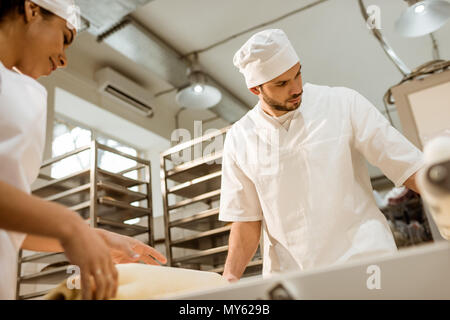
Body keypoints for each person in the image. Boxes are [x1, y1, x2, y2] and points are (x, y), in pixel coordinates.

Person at [219, 29, 424, 282]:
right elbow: (246, 220)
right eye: (281, 84)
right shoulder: (240, 138)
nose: (296, 88)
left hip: (365, 264)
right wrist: (228, 278)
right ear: (255, 89)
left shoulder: (342, 103)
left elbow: (408, 165)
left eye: (297, 74)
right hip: (293, 279)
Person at [0, 0, 166, 300]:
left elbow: (12, 226)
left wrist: (93, 237)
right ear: (32, 10)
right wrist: (68, 225)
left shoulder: (15, 88)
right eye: (65, 37)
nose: (63, 60)